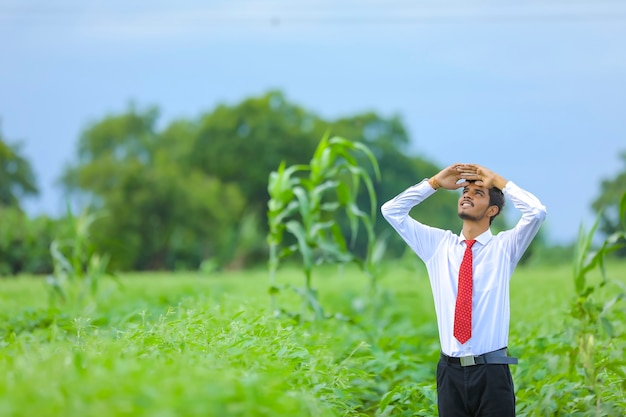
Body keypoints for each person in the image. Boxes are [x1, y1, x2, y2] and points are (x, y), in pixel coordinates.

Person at [381, 163, 547, 417]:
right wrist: (435, 182)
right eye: (464, 191)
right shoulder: (437, 245)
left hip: (491, 373)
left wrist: (498, 181)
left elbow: (536, 212)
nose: (467, 195)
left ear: (492, 210)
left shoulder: (504, 248)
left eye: (478, 192)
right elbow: (391, 211)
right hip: (450, 373)